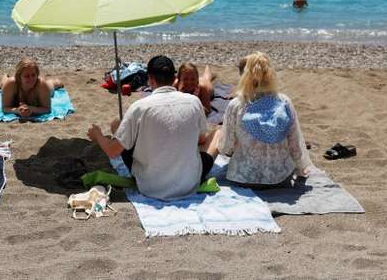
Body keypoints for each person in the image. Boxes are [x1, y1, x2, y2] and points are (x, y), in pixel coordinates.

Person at [87, 55, 212, 201]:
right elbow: (201, 139)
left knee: (118, 125)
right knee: (217, 133)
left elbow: (112, 151)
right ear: (174, 79)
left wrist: (98, 135)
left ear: (150, 79)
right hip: (189, 183)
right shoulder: (194, 102)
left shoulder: (139, 107)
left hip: (150, 186)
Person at [208, 52, 312, 188]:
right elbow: (295, 143)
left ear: (243, 76)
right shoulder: (284, 102)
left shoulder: (236, 105)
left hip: (244, 178)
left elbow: (226, 147)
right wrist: (301, 167)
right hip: (280, 178)